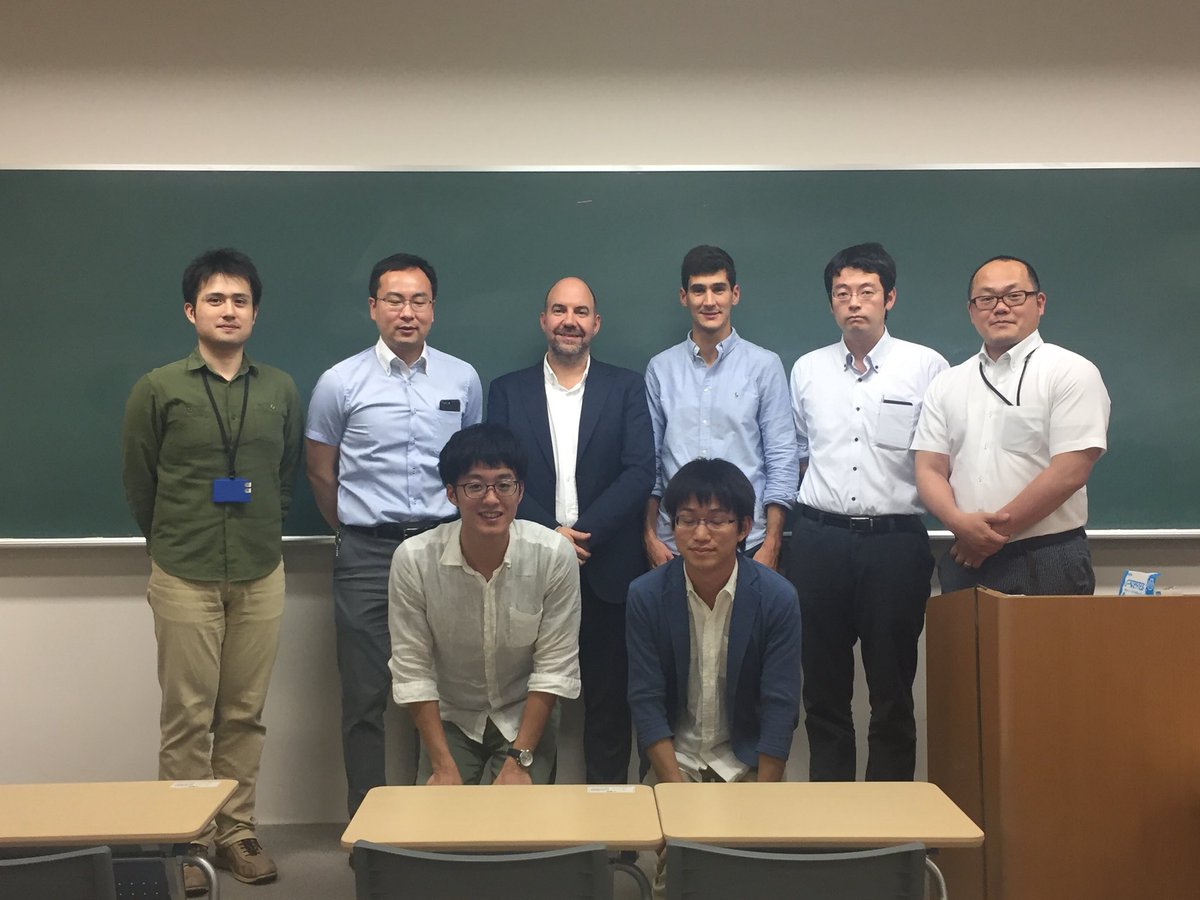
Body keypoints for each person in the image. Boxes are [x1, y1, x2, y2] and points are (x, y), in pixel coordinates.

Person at [122, 248, 302, 892]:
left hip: (259, 570)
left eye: (240, 300)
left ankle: (236, 831)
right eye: (216, 299)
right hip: (184, 571)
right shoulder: (158, 388)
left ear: (255, 313)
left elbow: (283, 477)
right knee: (188, 716)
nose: (229, 310)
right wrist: (168, 542)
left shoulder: (279, 389)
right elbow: (140, 481)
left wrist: (259, 531)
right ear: (190, 310)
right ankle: (187, 839)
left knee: (245, 713)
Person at [305, 253, 482, 815]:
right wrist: (354, 528)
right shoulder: (339, 383)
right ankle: (369, 821)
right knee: (365, 695)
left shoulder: (462, 378)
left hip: (443, 548)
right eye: (395, 300)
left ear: (433, 309)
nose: (407, 312)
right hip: (366, 553)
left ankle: (441, 816)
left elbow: (474, 469)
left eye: (419, 301)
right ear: (373, 307)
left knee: (447, 690)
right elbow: (320, 472)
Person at [787, 242, 949, 782]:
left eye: (866, 292)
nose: (854, 302)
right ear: (830, 302)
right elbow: (801, 453)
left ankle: (889, 822)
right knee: (824, 693)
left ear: (889, 298)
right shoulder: (807, 370)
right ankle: (833, 821)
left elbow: (943, 456)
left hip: (895, 545)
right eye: (842, 293)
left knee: (892, 693)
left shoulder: (926, 367)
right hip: (819, 542)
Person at [487, 276, 654, 784]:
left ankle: (611, 820)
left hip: (608, 567)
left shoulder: (626, 387)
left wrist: (583, 535)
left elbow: (639, 471)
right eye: (559, 310)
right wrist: (551, 535)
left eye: (580, 312)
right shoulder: (507, 391)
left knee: (610, 702)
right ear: (544, 320)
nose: (569, 321)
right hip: (529, 563)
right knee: (529, 701)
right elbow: (498, 475)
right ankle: (533, 816)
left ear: (595, 324)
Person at [388, 423, 582, 784]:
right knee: (439, 815)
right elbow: (412, 670)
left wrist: (518, 761)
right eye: (475, 486)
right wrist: (442, 766)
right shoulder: (414, 560)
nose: (491, 499)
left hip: (524, 714)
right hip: (451, 716)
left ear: (520, 491)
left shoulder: (553, 556)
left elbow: (554, 668)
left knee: (515, 816)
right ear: (452, 493)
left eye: (504, 485)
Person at [913, 255, 1110, 594]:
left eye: (1014, 296)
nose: (1000, 308)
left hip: (1047, 556)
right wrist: (960, 525)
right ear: (972, 311)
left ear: (1039, 303)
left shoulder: (1071, 372)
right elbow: (929, 468)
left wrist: (991, 536)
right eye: (986, 299)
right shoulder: (947, 383)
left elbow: (1071, 471)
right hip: (965, 555)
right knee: (963, 634)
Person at [627, 458, 801, 786]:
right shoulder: (646, 595)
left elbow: (780, 706)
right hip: (674, 764)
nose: (700, 534)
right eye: (687, 520)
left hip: (748, 766)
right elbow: (646, 699)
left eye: (717, 521)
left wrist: (765, 798)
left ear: (744, 528)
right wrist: (676, 791)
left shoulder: (777, 597)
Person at [643, 245, 797, 571]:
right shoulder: (660, 369)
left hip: (748, 543)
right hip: (674, 544)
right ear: (684, 297)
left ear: (734, 294)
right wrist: (650, 536)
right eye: (699, 290)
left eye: (719, 289)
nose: (709, 301)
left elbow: (781, 458)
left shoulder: (765, 366)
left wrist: (772, 543)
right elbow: (649, 463)